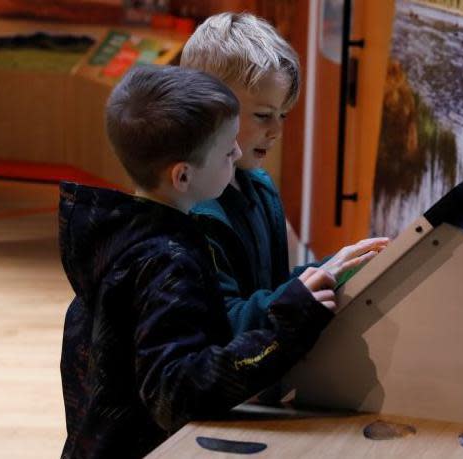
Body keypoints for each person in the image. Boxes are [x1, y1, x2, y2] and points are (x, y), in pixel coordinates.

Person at [59, 65, 338, 459]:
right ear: (183, 177)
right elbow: (177, 393)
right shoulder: (166, 264)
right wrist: (286, 329)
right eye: (227, 151)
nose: (239, 153)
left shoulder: (122, 237)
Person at [181, 12, 389, 335]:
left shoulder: (260, 187)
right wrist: (303, 292)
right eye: (264, 115)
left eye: (283, 115)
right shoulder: (195, 210)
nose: (276, 130)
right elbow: (225, 325)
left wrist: (337, 267)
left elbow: (274, 288)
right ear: (208, 108)